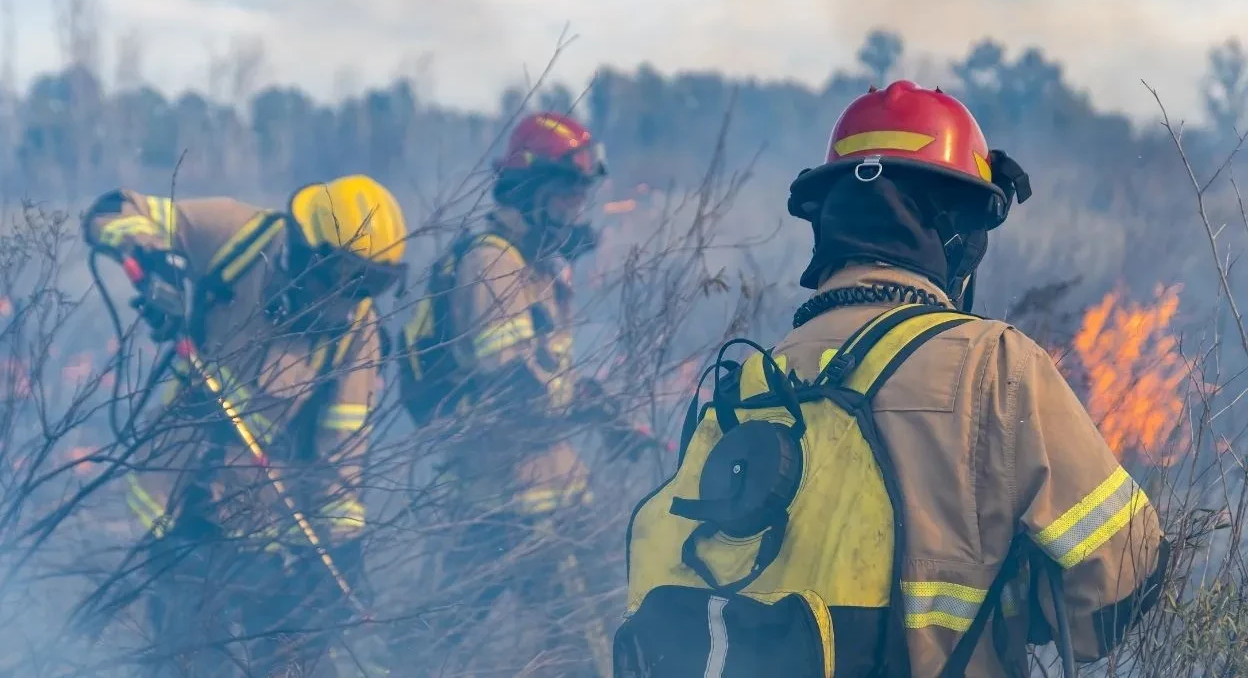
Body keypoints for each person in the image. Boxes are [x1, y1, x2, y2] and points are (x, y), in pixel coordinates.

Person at [617, 81, 1170, 677]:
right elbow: (1124, 574)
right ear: (959, 234)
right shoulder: (995, 367)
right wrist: (1022, 610)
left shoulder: (751, 384)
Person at [82, 175, 406, 677]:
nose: (350, 299)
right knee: (190, 660)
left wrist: (343, 552)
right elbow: (112, 207)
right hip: (177, 499)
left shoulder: (356, 336)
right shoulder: (238, 235)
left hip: (273, 536)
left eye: (370, 284)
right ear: (304, 254)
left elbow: (338, 463)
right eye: (341, 277)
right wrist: (150, 262)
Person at [396, 112, 650, 670]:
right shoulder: (493, 265)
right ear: (532, 190)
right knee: (595, 648)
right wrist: (581, 403)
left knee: (446, 647)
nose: (578, 209)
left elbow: (540, 376)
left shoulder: (535, 263)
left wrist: (594, 404)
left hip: (530, 494)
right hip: (515, 503)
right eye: (567, 195)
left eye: (582, 196)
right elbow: (515, 389)